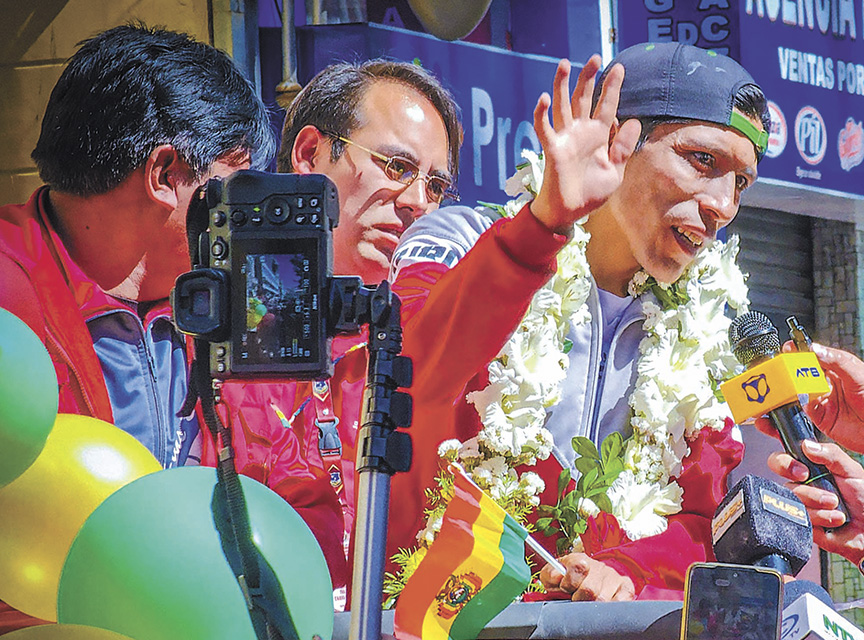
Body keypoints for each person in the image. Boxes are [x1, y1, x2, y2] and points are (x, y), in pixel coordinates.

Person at [386, 42, 771, 600]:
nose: (723, 204)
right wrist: (540, 228)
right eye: (701, 160)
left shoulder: (708, 330)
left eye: (741, 181)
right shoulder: (459, 240)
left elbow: (699, 522)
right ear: (616, 137)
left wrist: (620, 572)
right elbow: (408, 377)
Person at [0, 24, 341, 631]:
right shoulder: (7, 302)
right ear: (164, 175)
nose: (249, 206)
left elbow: (281, 487)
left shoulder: (222, 300)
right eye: (236, 176)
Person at [216, 58, 464, 604]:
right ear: (310, 154)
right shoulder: (219, 323)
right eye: (396, 166)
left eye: (437, 185)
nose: (419, 202)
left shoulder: (420, 337)